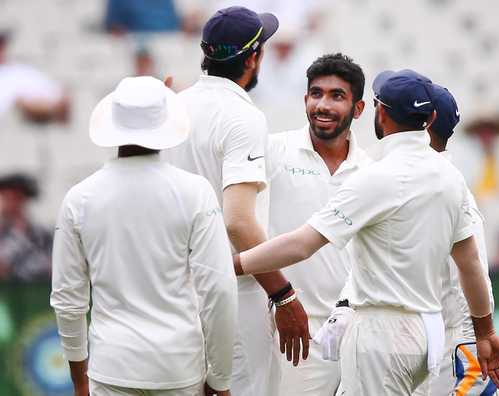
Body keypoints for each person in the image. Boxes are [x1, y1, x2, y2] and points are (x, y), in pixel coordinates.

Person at [233, 70, 499, 395]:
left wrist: (233, 264)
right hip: (425, 335)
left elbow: (301, 245)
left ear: (379, 113)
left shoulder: (376, 177)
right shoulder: (451, 179)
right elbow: (472, 267)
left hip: (381, 333)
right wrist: (486, 331)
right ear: (430, 117)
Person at [50, 76, 237, 396]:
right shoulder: (195, 193)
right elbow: (219, 289)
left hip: (112, 369)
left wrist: (80, 381)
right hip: (178, 368)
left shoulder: (80, 198)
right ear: (165, 126)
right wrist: (219, 379)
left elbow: (68, 300)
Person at [164, 7, 309, 396]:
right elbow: (238, 222)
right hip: (233, 294)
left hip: (175, 293)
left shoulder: (173, 107)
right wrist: (284, 294)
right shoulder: (242, 116)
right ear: (252, 58)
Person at [267, 53, 368, 396]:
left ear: (358, 109)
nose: (322, 105)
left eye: (337, 96)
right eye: (316, 93)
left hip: (357, 341)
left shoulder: (372, 174)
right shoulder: (273, 153)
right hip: (293, 338)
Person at [419, 79, 498, 395]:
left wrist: (476, 336)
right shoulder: (436, 180)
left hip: (453, 339)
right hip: (430, 336)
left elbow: (470, 270)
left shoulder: (450, 187)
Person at [0, 173, 52, 281]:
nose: (9, 203)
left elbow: (53, 267)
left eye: (15, 197)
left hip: (38, 293)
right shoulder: (3, 233)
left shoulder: (42, 234)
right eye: (6, 197)